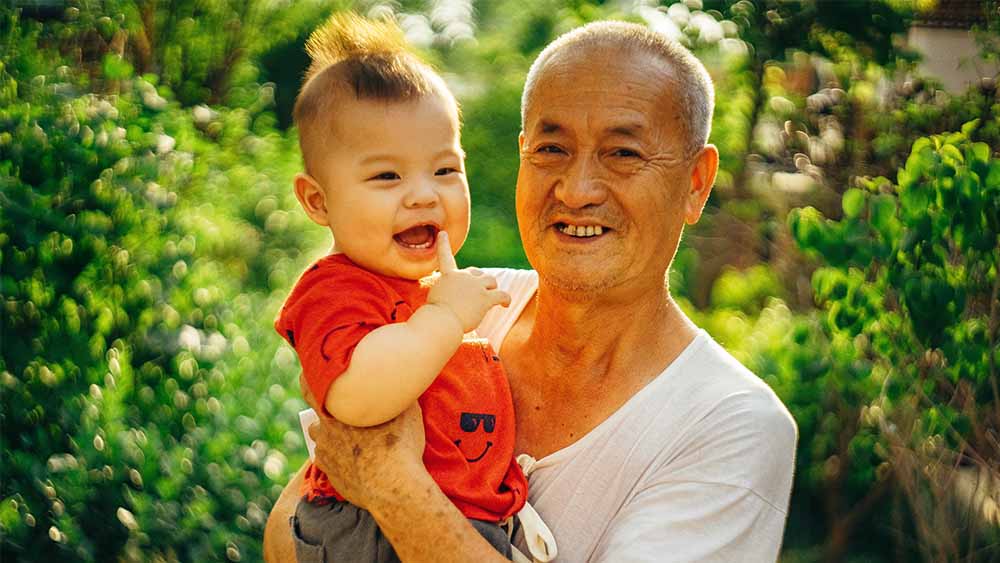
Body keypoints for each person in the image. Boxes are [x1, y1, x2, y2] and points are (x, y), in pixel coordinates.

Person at [265, 19, 797, 563]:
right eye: (551, 149)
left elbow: (361, 476)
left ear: (695, 183)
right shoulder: (459, 305)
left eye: (624, 153)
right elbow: (288, 536)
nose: (577, 189)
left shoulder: (729, 425)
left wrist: (393, 489)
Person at [274, 13, 555, 562]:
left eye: (445, 171)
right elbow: (355, 395)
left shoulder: (429, 289)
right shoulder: (335, 291)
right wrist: (446, 320)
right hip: (367, 532)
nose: (424, 195)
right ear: (317, 201)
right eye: (387, 176)